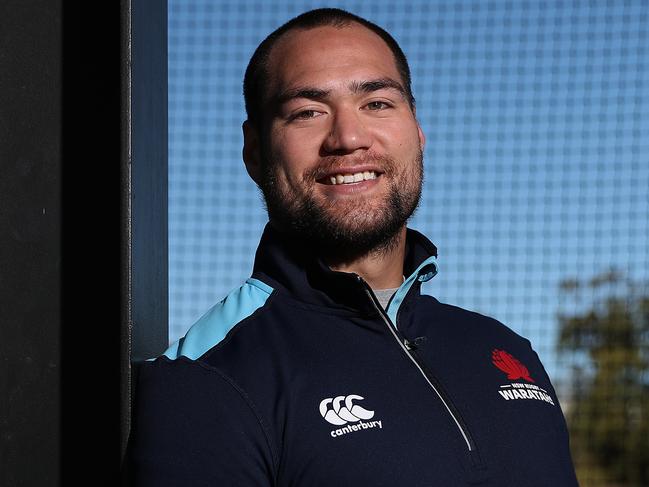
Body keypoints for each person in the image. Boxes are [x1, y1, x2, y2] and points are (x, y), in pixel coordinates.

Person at [126, 8, 578, 486]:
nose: (349, 138)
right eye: (307, 112)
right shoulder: (208, 378)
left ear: (417, 131)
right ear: (254, 152)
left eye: (378, 103)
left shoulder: (505, 348)